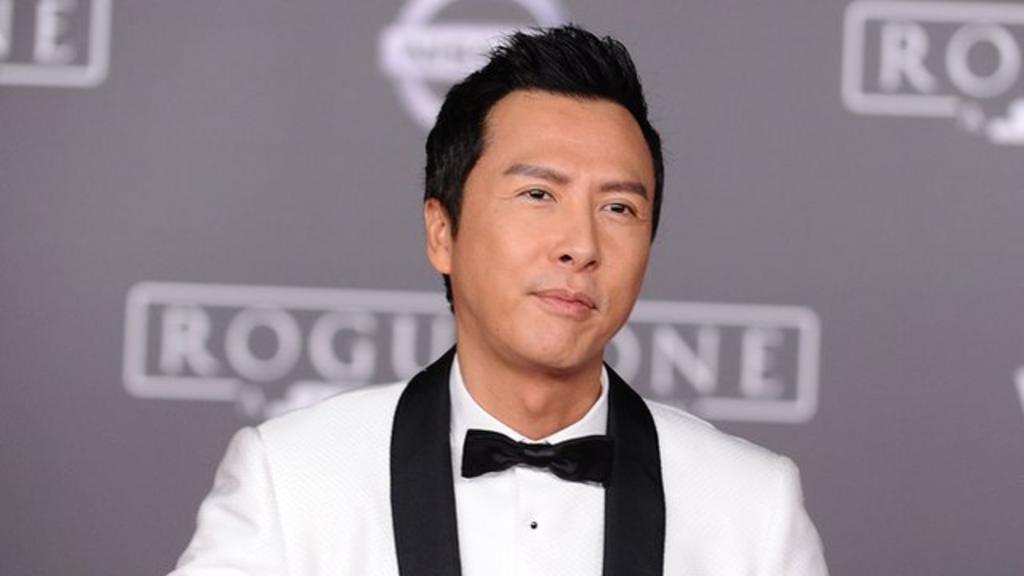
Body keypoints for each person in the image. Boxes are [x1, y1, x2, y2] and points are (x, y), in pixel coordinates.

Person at [169, 25, 828, 576]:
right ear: (442, 233)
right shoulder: (293, 478)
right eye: (539, 195)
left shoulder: (751, 507)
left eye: (619, 207)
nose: (580, 245)